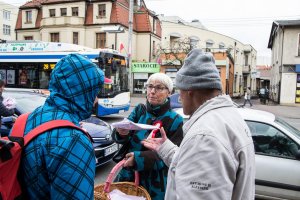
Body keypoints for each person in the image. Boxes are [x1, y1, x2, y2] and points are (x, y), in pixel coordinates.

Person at [142, 49, 255, 200]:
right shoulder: (229, 116)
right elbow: (193, 164)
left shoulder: (204, 137)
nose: (179, 99)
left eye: (180, 91)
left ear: (189, 91)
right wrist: (166, 149)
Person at [17, 54, 104, 199]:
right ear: (83, 92)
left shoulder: (27, 118)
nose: (96, 99)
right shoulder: (73, 140)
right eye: (94, 92)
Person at [112, 73, 184, 200]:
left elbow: (174, 156)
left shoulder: (175, 120)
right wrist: (121, 132)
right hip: (129, 177)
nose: (152, 91)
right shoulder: (140, 110)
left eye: (159, 88)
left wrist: (138, 159)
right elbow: (122, 135)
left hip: (155, 183)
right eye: (150, 86)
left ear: (169, 93)